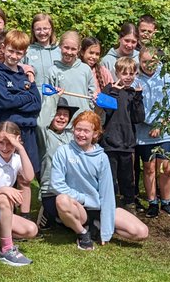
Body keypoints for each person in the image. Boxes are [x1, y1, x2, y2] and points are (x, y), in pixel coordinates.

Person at [52, 111, 149, 249]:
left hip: (99, 206)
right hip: (77, 206)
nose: (81, 134)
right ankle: (82, 232)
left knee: (141, 232)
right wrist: (84, 199)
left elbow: (107, 194)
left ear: (95, 134)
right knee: (61, 200)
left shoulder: (102, 158)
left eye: (86, 131)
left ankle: (97, 226)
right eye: (78, 129)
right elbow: (56, 184)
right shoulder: (63, 151)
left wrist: (106, 232)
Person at [0, 121, 37, 265]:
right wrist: (4, 189)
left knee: (32, 229)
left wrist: (21, 149)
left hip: (3, 212)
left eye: (10, 143)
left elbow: (29, 177)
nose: (5, 148)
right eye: (1, 143)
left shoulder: (16, 159)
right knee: (4, 198)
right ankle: (6, 249)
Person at [0, 28, 43, 171]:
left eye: (19, 53)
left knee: (26, 176)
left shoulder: (26, 75)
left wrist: (15, 99)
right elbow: (5, 102)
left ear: (24, 53)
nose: (14, 56)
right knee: (6, 173)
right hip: (7, 131)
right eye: (11, 51)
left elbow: (37, 104)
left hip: (27, 131)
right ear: (3, 48)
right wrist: (27, 97)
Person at [134, 46, 170, 217]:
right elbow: (137, 106)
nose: (147, 65)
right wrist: (151, 124)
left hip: (164, 128)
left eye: (151, 61)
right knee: (149, 167)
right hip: (144, 130)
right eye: (143, 61)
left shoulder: (167, 77)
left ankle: (166, 201)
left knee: (165, 167)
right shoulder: (136, 79)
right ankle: (152, 202)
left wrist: (162, 124)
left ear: (157, 61)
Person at [101, 56, 145, 211]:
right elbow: (106, 109)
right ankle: (110, 203)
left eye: (132, 74)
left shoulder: (133, 93)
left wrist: (138, 98)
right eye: (124, 73)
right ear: (117, 73)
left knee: (127, 176)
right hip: (110, 141)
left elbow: (138, 118)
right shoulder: (109, 88)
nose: (128, 77)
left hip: (127, 141)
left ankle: (129, 201)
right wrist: (113, 92)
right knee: (110, 177)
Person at [38, 99, 76, 231]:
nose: (61, 117)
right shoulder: (46, 135)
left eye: (65, 114)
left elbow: (91, 130)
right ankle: (48, 213)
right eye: (57, 113)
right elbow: (41, 124)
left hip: (71, 190)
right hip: (51, 191)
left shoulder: (71, 136)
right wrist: (52, 98)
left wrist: (98, 107)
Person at [45, 30, 96, 125]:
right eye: (66, 48)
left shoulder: (85, 69)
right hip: (62, 123)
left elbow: (92, 94)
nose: (69, 52)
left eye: (73, 49)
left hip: (83, 121)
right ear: (60, 46)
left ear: (79, 49)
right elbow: (48, 99)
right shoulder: (53, 71)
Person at [25, 13, 59, 93]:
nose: (42, 32)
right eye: (38, 29)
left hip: (58, 99)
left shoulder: (60, 51)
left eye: (45, 28)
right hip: (34, 98)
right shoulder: (27, 51)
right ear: (33, 30)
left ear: (51, 29)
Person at [80, 36, 114, 101]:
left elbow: (111, 93)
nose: (94, 56)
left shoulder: (103, 71)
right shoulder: (77, 70)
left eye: (97, 54)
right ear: (82, 52)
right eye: (91, 53)